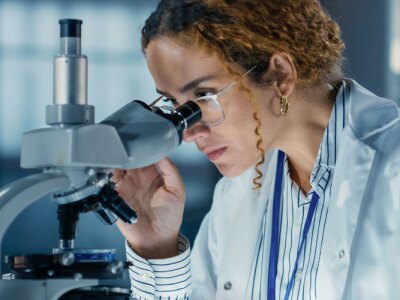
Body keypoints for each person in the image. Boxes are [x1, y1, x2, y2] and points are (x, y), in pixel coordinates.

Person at [111, 0, 400, 299]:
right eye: (175, 104)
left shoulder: (392, 170)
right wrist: (157, 248)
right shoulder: (238, 191)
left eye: (204, 95)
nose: (189, 131)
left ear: (281, 75)